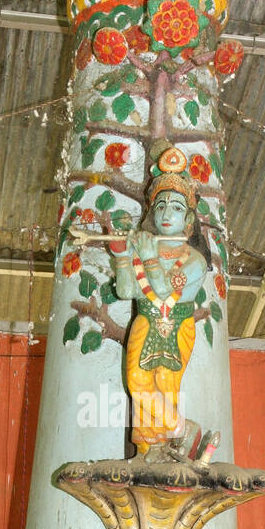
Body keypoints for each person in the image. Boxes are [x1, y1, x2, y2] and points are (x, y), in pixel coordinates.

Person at [109, 170, 207, 454]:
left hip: (177, 326)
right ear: (152, 213)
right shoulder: (143, 249)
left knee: (166, 384)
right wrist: (121, 255)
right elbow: (127, 291)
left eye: (176, 208)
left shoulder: (195, 260)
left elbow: (165, 291)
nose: (166, 213)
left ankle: (161, 450)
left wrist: (148, 255)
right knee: (137, 382)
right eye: (160, 206)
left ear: (188, 220)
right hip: (146, 320)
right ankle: (176, 431)